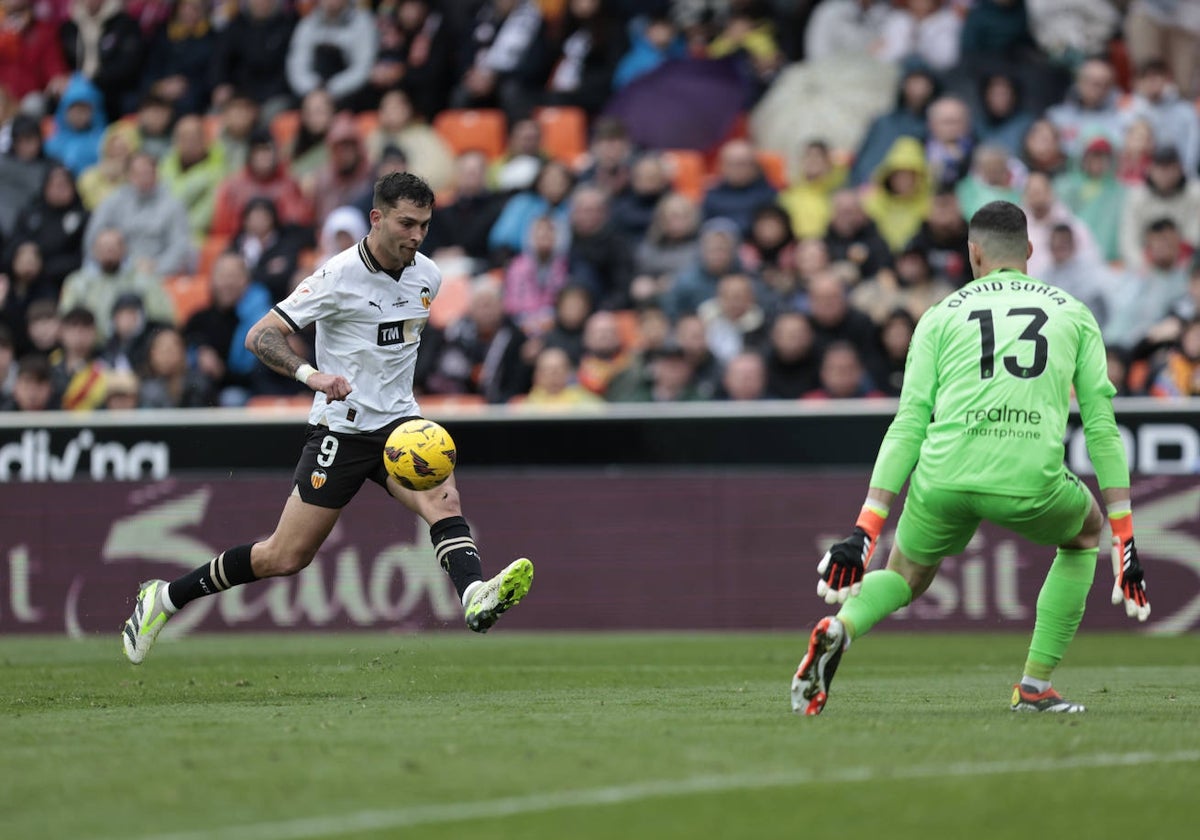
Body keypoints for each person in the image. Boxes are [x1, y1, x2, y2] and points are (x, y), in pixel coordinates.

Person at [121, 172, 535, 664]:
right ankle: (164, 598)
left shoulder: (430, 276)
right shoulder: (336, 277)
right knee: (285, 556)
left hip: (401, 427)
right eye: (407, 223)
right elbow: (260, 335)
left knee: (444, 500)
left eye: (424, 225)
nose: (417, 235)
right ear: (376, 218)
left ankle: (474, 597)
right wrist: (310, 374)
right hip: (341, 429)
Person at [791, 200, 1150, 717]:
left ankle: (841, 627)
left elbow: (909, 423)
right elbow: (1101, 426)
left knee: (907, 574)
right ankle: (1034, 686)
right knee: (1084, 533)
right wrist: (1126, 537)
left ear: (973, 253)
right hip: (1029, 474)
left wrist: (865, 530)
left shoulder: (940, 315)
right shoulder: (1072, 313)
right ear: (1030, 250)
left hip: (943, 474)